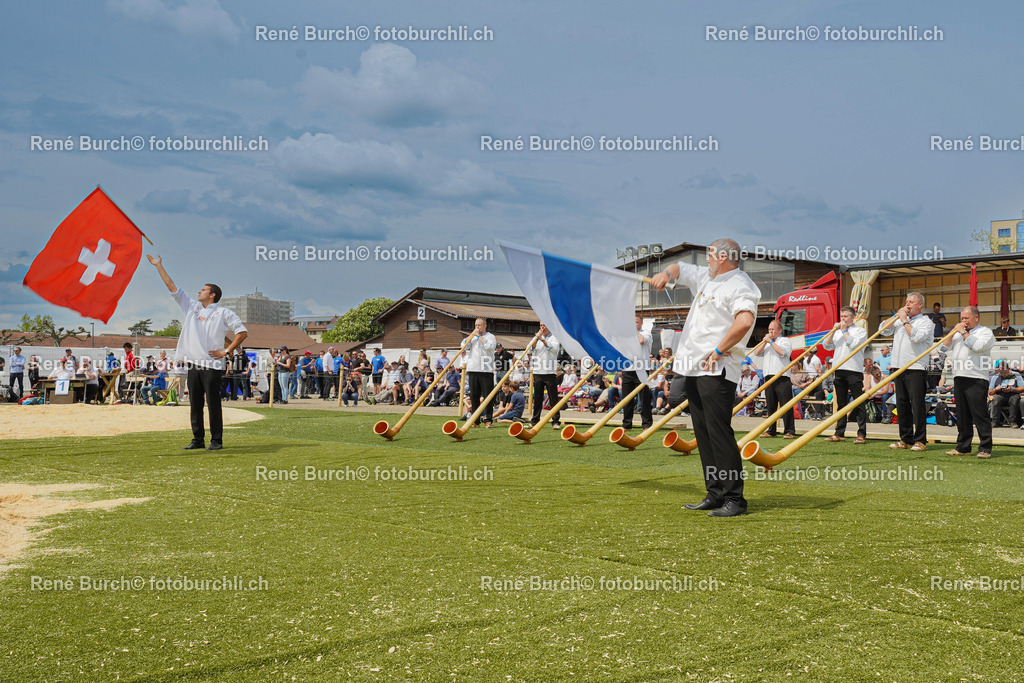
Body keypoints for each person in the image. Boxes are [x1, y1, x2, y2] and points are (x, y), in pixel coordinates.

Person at [651, 238, 760, 517]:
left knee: (718, 432)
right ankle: (715, 493)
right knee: (703, 433)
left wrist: (719, 349)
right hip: (692, 368)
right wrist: (666, 274)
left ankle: (735, 499)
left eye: (710, 254)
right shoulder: (706, 277)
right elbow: (678, 267)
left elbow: (745, 320)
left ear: (723, 256)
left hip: (717, 370)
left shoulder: (740, 284)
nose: (707, 259)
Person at [147, 254, 247, 451]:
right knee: (195, 404)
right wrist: (159, 266)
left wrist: (226, 351)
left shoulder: (223, 313)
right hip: (193, 364)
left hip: (212, 365)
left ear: (212, 295)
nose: (199, 291)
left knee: (213, 404)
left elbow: (242, 333)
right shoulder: (192, 307)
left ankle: (216, 441)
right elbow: (172, 287)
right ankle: (198, 439)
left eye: (203, 290)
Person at [880, 292, 934, 451]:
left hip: (916, 367)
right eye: (906, 301)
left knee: (917, 405)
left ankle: (920, 440)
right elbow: (883, 330)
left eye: (911, 302)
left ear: (920, 305)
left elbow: (916, 337)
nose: (907, 304)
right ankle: (905, 439)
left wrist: (904, 320)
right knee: (901, 404)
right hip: (898, 366)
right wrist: (897, 316)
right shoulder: (899, 320)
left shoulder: (926, 322)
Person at [938, 306, 994, 457]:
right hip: (959, 376)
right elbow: (943, 348)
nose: (963, 321)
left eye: (966, 318)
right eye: (962, 318)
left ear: (976, 318)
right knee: (962, 415)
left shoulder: (985, 332)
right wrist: (952, 332)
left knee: (979, 414)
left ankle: (985, 448)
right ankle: (963, 447)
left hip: (976, 378)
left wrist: (963, 332)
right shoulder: (958, 333)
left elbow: (976, 346)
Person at [821, 306, 868, 443]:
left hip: (854, 370)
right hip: (839, 369)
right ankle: (839, 432)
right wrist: (833, 330)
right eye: (841, 316)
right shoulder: (837, 332)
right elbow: (827, 345)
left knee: (859, 403)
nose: (843, 319)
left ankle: (861, 434)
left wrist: (844, 330)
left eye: (845, 316)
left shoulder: (860, 331)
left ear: (853, 317)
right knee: (840, 403)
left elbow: (852, 344)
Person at [752, 320, 795, 438]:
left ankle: (789, 431)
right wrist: (764, 342)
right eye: (769, 329)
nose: (770, 331)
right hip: (768, 375)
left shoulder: (784, 341)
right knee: (771, 405)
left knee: (785, 405)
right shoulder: (766, 342)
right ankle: (771, 430)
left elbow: (783, 352)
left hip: (781, 376)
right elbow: (757, 353)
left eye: (773, 329)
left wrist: (770, 342)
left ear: (779, 330)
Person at [620, 315, 653, 430]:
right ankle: (627, 424)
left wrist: (633, 331)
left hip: (641, 369)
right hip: (628, 369)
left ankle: (647, 424)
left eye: (636, 322)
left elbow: (641, 340)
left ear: (641, 323)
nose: (634, 324)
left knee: (644, 398)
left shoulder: (646, 333)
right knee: (627, 399)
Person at [463, 318, 497, 426]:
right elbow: (464, 346)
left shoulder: (490, 337)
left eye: (480, 325)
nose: (477, 327)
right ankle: (475, 420)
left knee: (488, 396)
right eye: (476, 325)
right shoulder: (472, 337)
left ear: (485, 326)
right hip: (473, 369)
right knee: (474, 396)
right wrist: (471, 336)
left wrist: (478, 336)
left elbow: (488, 347)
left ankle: (488, 420)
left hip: (486, 370)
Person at [988, 360, 1024, 428]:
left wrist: (1012, 389)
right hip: (1000, 395)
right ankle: (995, 421)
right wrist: (996, 389)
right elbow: (990, 392)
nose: (1003, 373)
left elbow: (1022, 388)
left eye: (1005, 371)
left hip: (1013, 394)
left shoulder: (1016, 375)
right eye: (1001, 372)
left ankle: (1012, 421)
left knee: (1014, 400)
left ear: (1008, 369)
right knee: (996, 399)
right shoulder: (995, 377)